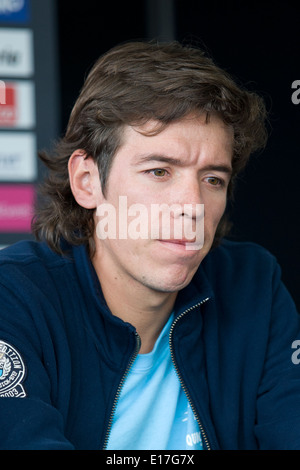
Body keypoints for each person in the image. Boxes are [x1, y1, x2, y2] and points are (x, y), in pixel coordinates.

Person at [0, 40, 299, 451]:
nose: (193, 206)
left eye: (213, 179)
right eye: (159, 171)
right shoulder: (13, 298)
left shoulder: (253, 286)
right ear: (87, 181)